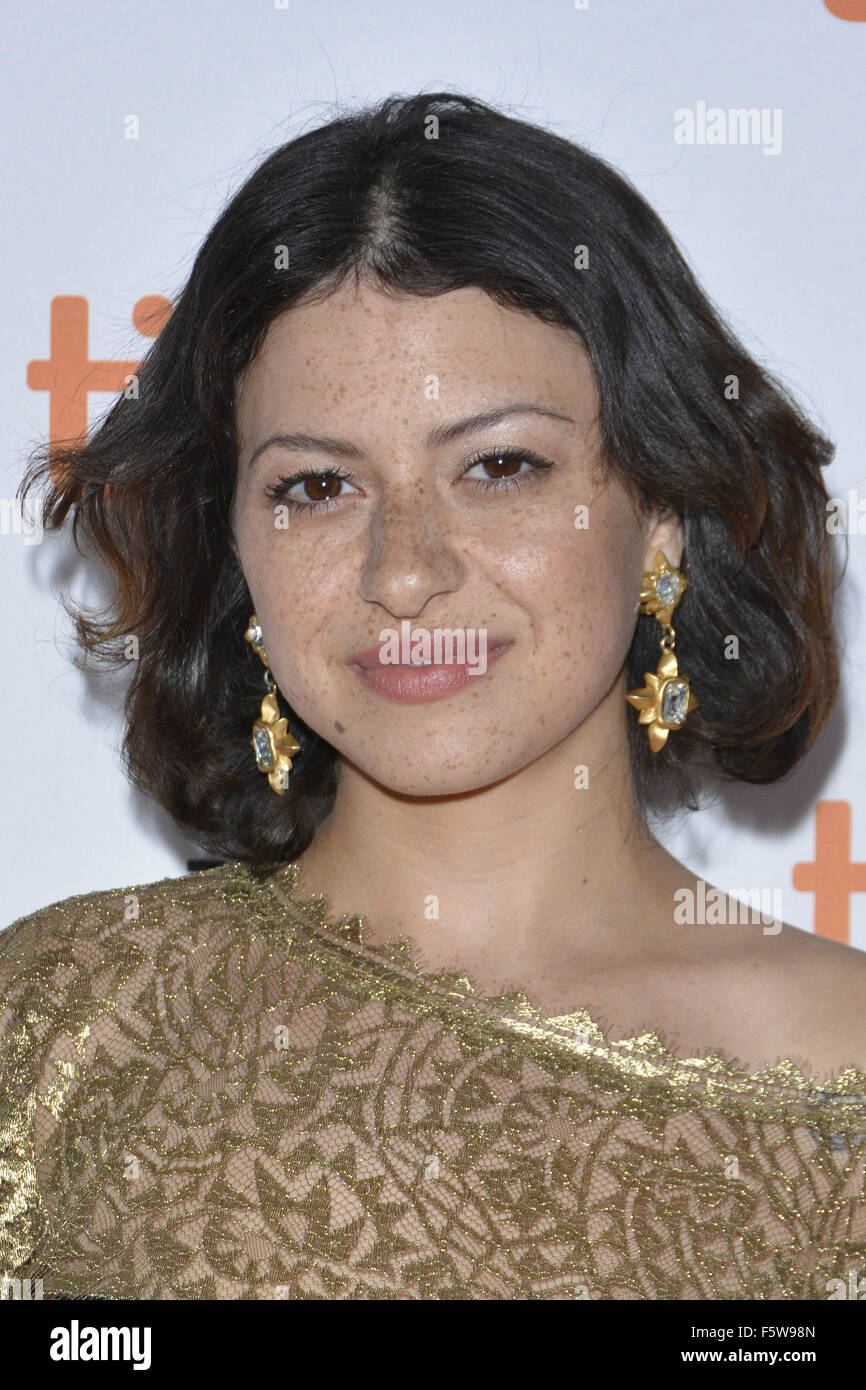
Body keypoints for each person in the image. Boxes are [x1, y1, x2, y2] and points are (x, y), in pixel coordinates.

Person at [2, 91, 865, 1301]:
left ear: (663, 514)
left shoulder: (847, 1086)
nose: (404, 572)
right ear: (235, 541)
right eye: (315, 486)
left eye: (499, 466)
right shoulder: (61, 1021)